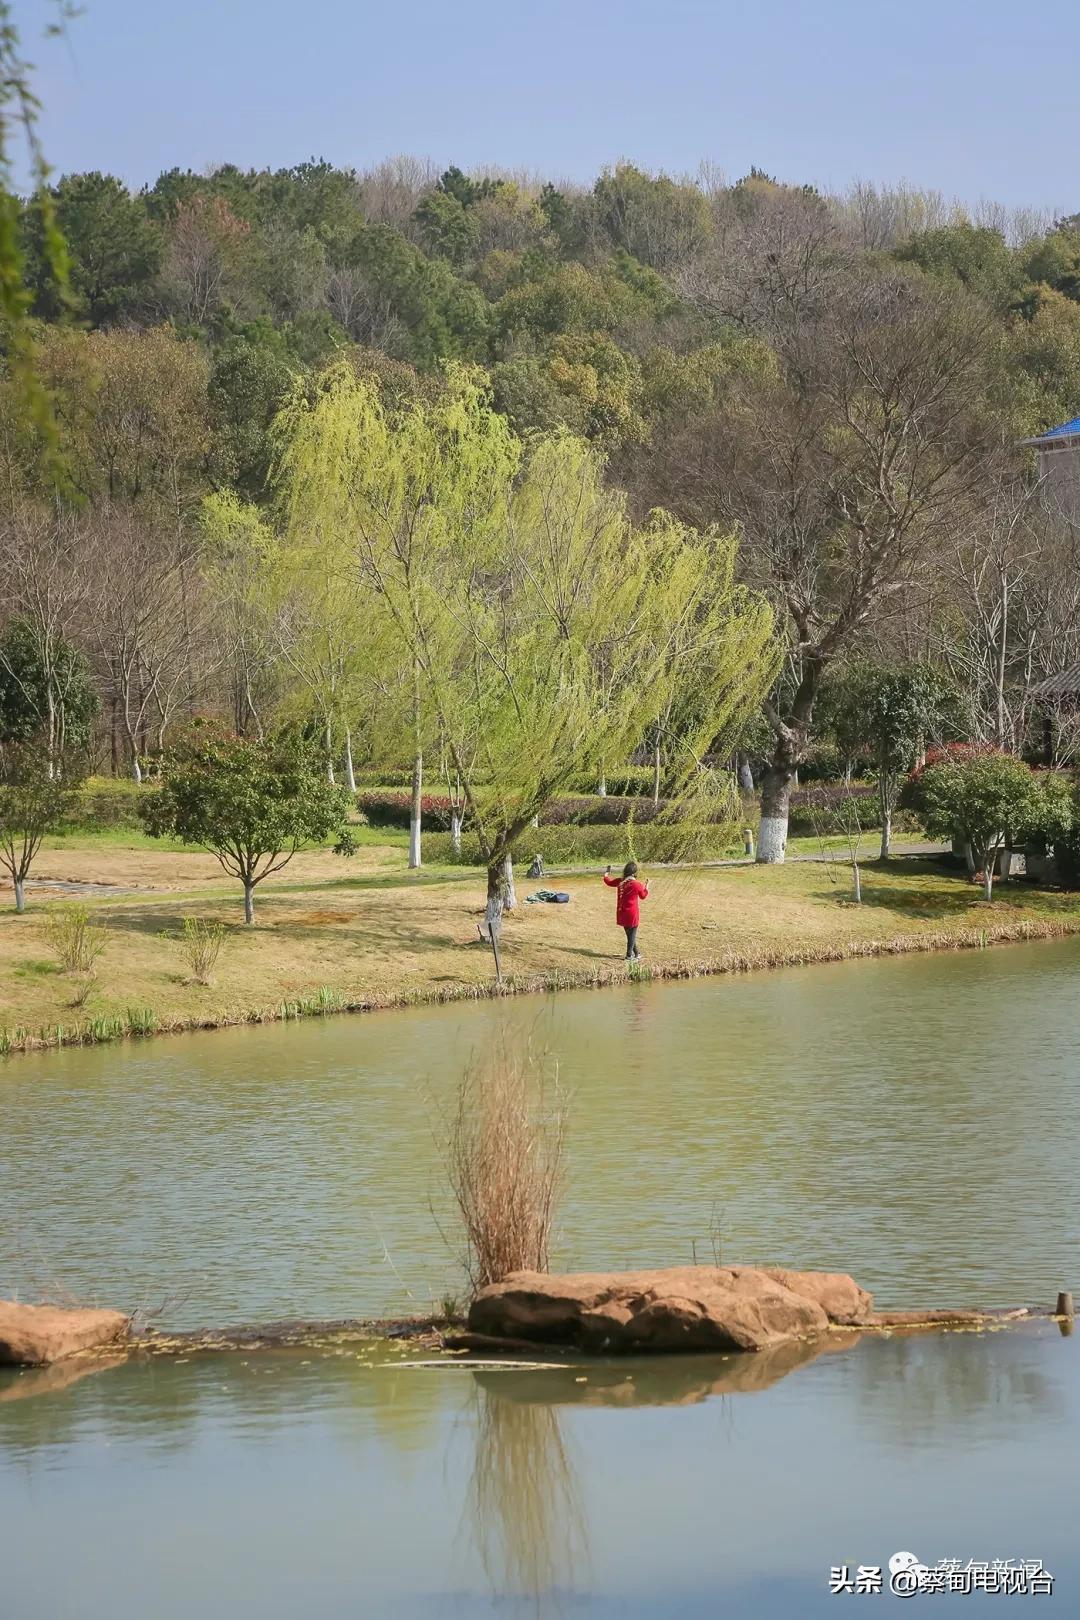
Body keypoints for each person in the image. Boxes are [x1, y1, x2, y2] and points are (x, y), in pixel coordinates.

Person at [603, 860, 650, 960]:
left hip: (622, 913)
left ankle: (637, 954)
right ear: (635, 873)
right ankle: (629, 956)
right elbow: (643, 896)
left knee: (630, 935)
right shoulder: (637, 884)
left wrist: (606, 874)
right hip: (632, 914)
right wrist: (646, 886)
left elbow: (608, 882)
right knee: (631, 935)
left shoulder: (620, 881)